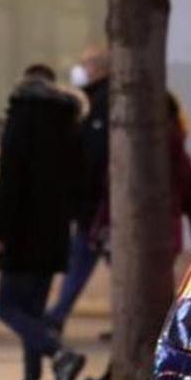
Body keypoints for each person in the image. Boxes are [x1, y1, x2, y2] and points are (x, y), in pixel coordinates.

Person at [80, 93, 191, 380]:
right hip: (161, 240)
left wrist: (101, 227)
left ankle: (124, 379)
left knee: (140, 311)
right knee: (143, 309)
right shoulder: (172, 144)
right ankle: (116, 378)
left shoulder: (145, 142)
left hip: (141, 240)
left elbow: (112, 191)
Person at [0, 65, 88, 380]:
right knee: (32, 310)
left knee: (7, 307)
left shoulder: (22, 116)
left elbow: (9, 178)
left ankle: (60, 354)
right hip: (54, 232)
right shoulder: (67, 121)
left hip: (21, 231)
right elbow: (78, 179)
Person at [44, 47, 110, 335]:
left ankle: (58, 314)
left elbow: (94, 153)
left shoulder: (103, 101)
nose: (80, 70)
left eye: (85, 64)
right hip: (94, 201)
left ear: (99, 68)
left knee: (83, 257)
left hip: (96, 201)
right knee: (82, 258)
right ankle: (58, 313)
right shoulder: (93, 99)